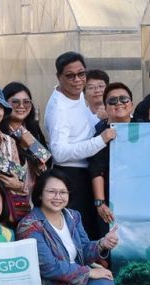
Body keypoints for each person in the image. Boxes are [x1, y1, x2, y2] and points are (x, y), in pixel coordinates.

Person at [17, 169, 120, 285]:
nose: (58, 197)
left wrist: (102, 244)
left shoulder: (72, 216)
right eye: (52, 192)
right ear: (40, 194)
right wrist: (89, 272)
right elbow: (49, 267)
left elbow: (84, 251)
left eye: (63, 192)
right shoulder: (30, 225)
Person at [43, 51, 114, 238]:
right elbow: (59, 153)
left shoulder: (77, 95)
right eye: (70, 76)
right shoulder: (59, 109)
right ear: (59, 77)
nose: (77, 80)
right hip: (72, 177)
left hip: (89, 172)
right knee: (82, 234)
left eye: (81, 74)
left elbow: (82, 130)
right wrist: (100, 140)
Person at [91, 81, 135, 229]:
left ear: (131, 104)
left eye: (124, 99)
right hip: (113, 200)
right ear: (106, 107)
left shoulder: (145, 127)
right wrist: (100, 203)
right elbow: (96, 171)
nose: (119, 103)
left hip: (142, 197)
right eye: (112, 100)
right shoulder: (100, 134)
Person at [2, 82, 53, 192]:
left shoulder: (33, 127)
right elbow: (5, 167)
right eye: (15, 102)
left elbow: (46, 160)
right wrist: (23, 147)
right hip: (11, 192)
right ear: (4, 103)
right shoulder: (0, 131)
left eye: (26, 102)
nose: (21, 106)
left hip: (35, 191)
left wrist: (40, 162)